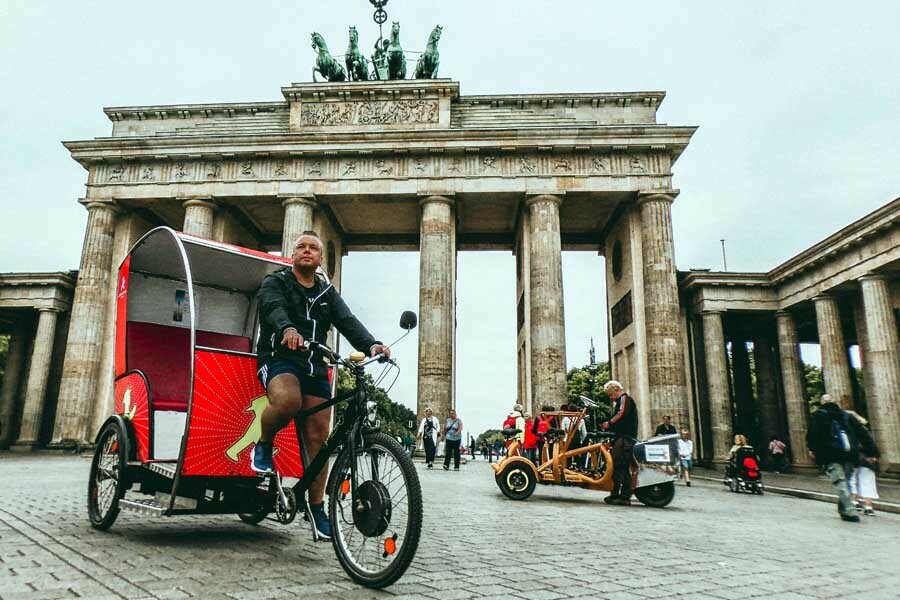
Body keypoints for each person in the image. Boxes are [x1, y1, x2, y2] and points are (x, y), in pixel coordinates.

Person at [253, 231, 390, 540]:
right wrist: (287, 328)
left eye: (313, 247)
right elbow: (273, 308)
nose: (306, 251)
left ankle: (316, 508)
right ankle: (264, 443)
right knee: (288, 401)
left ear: (320, 257)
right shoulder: (276, 282)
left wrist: (373, 346)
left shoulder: (327, 292)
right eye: (301, 246)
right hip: (278, 358)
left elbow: (348, 321)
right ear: (293, 254)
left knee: (319, 438)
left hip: (315, 364)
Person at [806, 395, 879, 522]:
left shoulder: (818, 416)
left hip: (830, 454)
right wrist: (872, 452)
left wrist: (812, 449)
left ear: (822, 403)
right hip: (850, 454)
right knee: (846, 481)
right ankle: (844, 509)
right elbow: (863, 434)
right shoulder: (847, 416)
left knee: (840, 481)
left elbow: (812, 435)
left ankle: (850, 510)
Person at [600, 380, 638, 506]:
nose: (611, 398)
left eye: (611, 395)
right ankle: (621, 494)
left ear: (616, 390)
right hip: (624, 437)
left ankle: (620, 495)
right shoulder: (623, 400)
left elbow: (621, 414)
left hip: (624, 438)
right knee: (622, 466)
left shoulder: (624, 399)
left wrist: (609, 423)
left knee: (618, 465)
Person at [846, 411, 881, 516]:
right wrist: (874, 455)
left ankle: (855, 502)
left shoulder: (846, 430)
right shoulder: (863, 429)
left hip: (852, 457)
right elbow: (870, 443)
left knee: (852, 479)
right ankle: (869, 506)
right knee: (867, 481)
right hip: (866, 458)